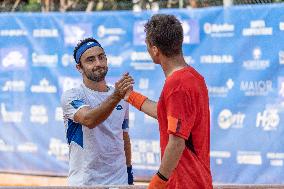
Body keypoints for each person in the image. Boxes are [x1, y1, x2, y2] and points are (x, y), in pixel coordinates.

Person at [125, 14, 213, 189]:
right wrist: (131, 96)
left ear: (155, 49)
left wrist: (158, 182)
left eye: (147, 46)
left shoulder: (177, 84)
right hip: (196, 180)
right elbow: (165, 114)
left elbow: (177, 142)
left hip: (185, 183)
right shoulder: (194, 77)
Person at [61, 37, 134, 186]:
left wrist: (129, 172)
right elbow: (89, 120)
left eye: (101, 57)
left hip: (118, 182)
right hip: (85, 183)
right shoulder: (72, 96)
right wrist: (116, 96)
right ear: (79, 68)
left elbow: (124, 136)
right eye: (90, 60)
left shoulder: (121, 96)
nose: (98, 64)